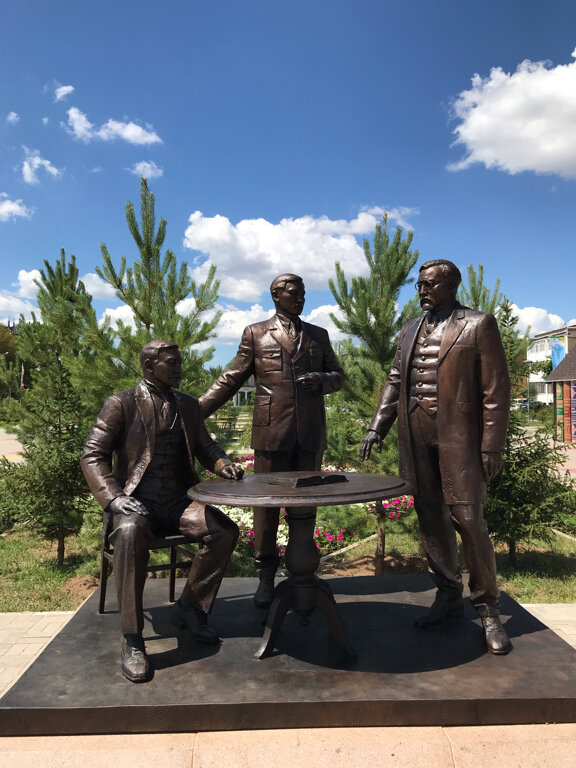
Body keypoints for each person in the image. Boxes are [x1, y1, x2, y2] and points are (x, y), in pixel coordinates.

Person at [360, 259, 512, 655]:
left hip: (460, 440)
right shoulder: (409, 328)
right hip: (415, 436)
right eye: (419, 285)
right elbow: (396, 380)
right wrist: (379, 424)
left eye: (429, 284)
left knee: (467, 520)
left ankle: (488, 609)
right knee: (431, 519)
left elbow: (496, 391)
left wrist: (492, 444)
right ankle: (447, 597)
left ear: (451, 285)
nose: (422, 291)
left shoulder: (479, 324)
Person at [81, 340, 243, 683]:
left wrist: (222, 462)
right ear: (149, 366)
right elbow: (92, 455)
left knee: (224, 531)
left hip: (178, 501)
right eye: (172, 362)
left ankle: (191, 608)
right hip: (136, 503)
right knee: (128, 532)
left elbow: (204, 445)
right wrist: (113, 498)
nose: (180, 368)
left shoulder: (187, 405)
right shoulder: (121, 403)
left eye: (179, 361)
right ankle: (133, 639)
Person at [200, 273, 344, 608]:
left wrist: (322, 380)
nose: (300, 299)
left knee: (305, 506)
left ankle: (302, 573)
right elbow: (231, 377)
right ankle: (265, 579)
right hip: (271, 433)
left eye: (303, 294)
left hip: (309, 435)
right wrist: (196, 409)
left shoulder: (318, 335)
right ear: (276, 296)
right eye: (294, 294)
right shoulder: (256, 333)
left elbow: (338, 376)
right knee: (266, 509)